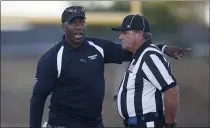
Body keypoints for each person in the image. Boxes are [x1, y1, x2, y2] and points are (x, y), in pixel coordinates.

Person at [30, 6, 189, 128]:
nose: (78, 27)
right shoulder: (52, 59)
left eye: (81, 22)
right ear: (63, 27)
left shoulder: (97, 47)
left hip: (95, 125)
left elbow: (133, 50)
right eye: (73, 23)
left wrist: (163, 48)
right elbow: (37, 99)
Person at [111, 14, 180, 128]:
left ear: (139, 34)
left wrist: (169, 124)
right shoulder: (141, 54)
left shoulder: (149, 56)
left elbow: (171, 91)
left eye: (125, 33)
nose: (120, 37)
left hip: (147, 123)